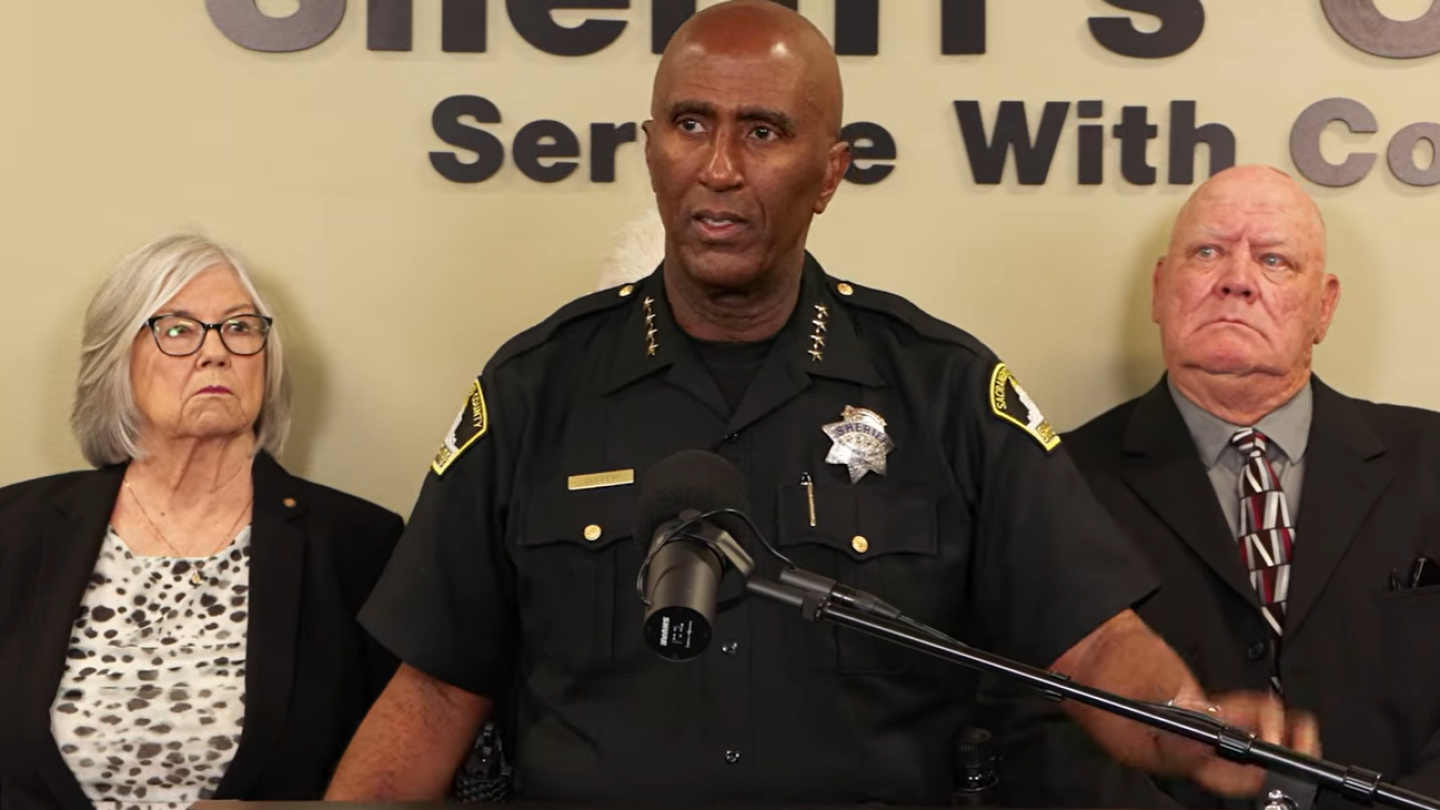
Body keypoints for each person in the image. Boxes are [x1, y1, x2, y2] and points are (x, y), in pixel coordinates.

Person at [328, 3, 1312, 804]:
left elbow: (1092, 640)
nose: (720, 167)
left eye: (763, 132)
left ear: (830, 172)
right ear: (651, 149)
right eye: (690, 125)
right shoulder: (535, 388)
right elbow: (435, 689)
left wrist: (1189, 723)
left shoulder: (942, 389)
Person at [1065, 164, 1440, 808]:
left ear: (1324, 307)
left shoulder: (1432, 461)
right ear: (1160, 289)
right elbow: (1031, 713)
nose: (1236, 280)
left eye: (1274, 260)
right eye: (1207, 252)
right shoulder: (1061, 479)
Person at [0, 234, 404, 810]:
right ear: (117, 361)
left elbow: (400, 773)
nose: (215, 352)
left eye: (239, 327)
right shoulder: (15, 531)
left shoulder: (357, 544)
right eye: (177, 329)